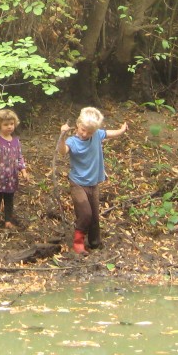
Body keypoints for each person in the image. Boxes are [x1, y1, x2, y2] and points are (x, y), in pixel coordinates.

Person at [58, 107, 128, 254]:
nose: (85, 134)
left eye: (89, 132)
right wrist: (62, 136)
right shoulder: (73, 141)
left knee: (95, 215)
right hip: (78, 183)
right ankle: (78, 243)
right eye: (83, 130)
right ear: (78, 125)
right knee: (85, 214)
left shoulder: (96, 135)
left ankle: (95, 242)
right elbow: (63, 151)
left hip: (93, 183)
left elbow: (109, 133)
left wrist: (122, 130)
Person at [0, 108, 29, 229]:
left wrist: (24, 171)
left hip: (11, 177)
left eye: (11, 124)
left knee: (9, 199)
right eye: (6, 124)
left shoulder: (16, 141)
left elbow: (19, 157)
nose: (9, 127)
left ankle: (8, 221)